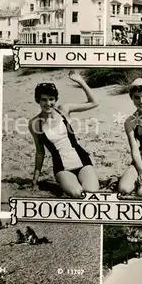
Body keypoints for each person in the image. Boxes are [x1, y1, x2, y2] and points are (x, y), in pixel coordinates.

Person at [29, 70, 100, 198]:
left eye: (51, 99)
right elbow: (40, 152)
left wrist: (80, 81)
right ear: (37, 100)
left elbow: (94, 102)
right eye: (44, 100)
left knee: (91, 192)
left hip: (81, 159)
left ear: (56, 99)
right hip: (61, 166)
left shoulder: (64, 110)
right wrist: (35, 178)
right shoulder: (34, 123)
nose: (48, 103)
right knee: (76, 193)